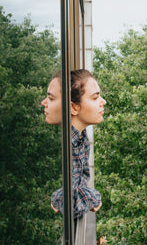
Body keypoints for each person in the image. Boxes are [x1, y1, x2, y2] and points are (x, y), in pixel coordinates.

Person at [41, 69, 106, 221]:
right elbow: (71, 204)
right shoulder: (71, 144)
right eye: (95, 97)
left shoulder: (80, 137)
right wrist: (94, 197)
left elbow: (79, 186)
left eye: (50, 98)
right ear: (74, 108)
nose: (103, 102)